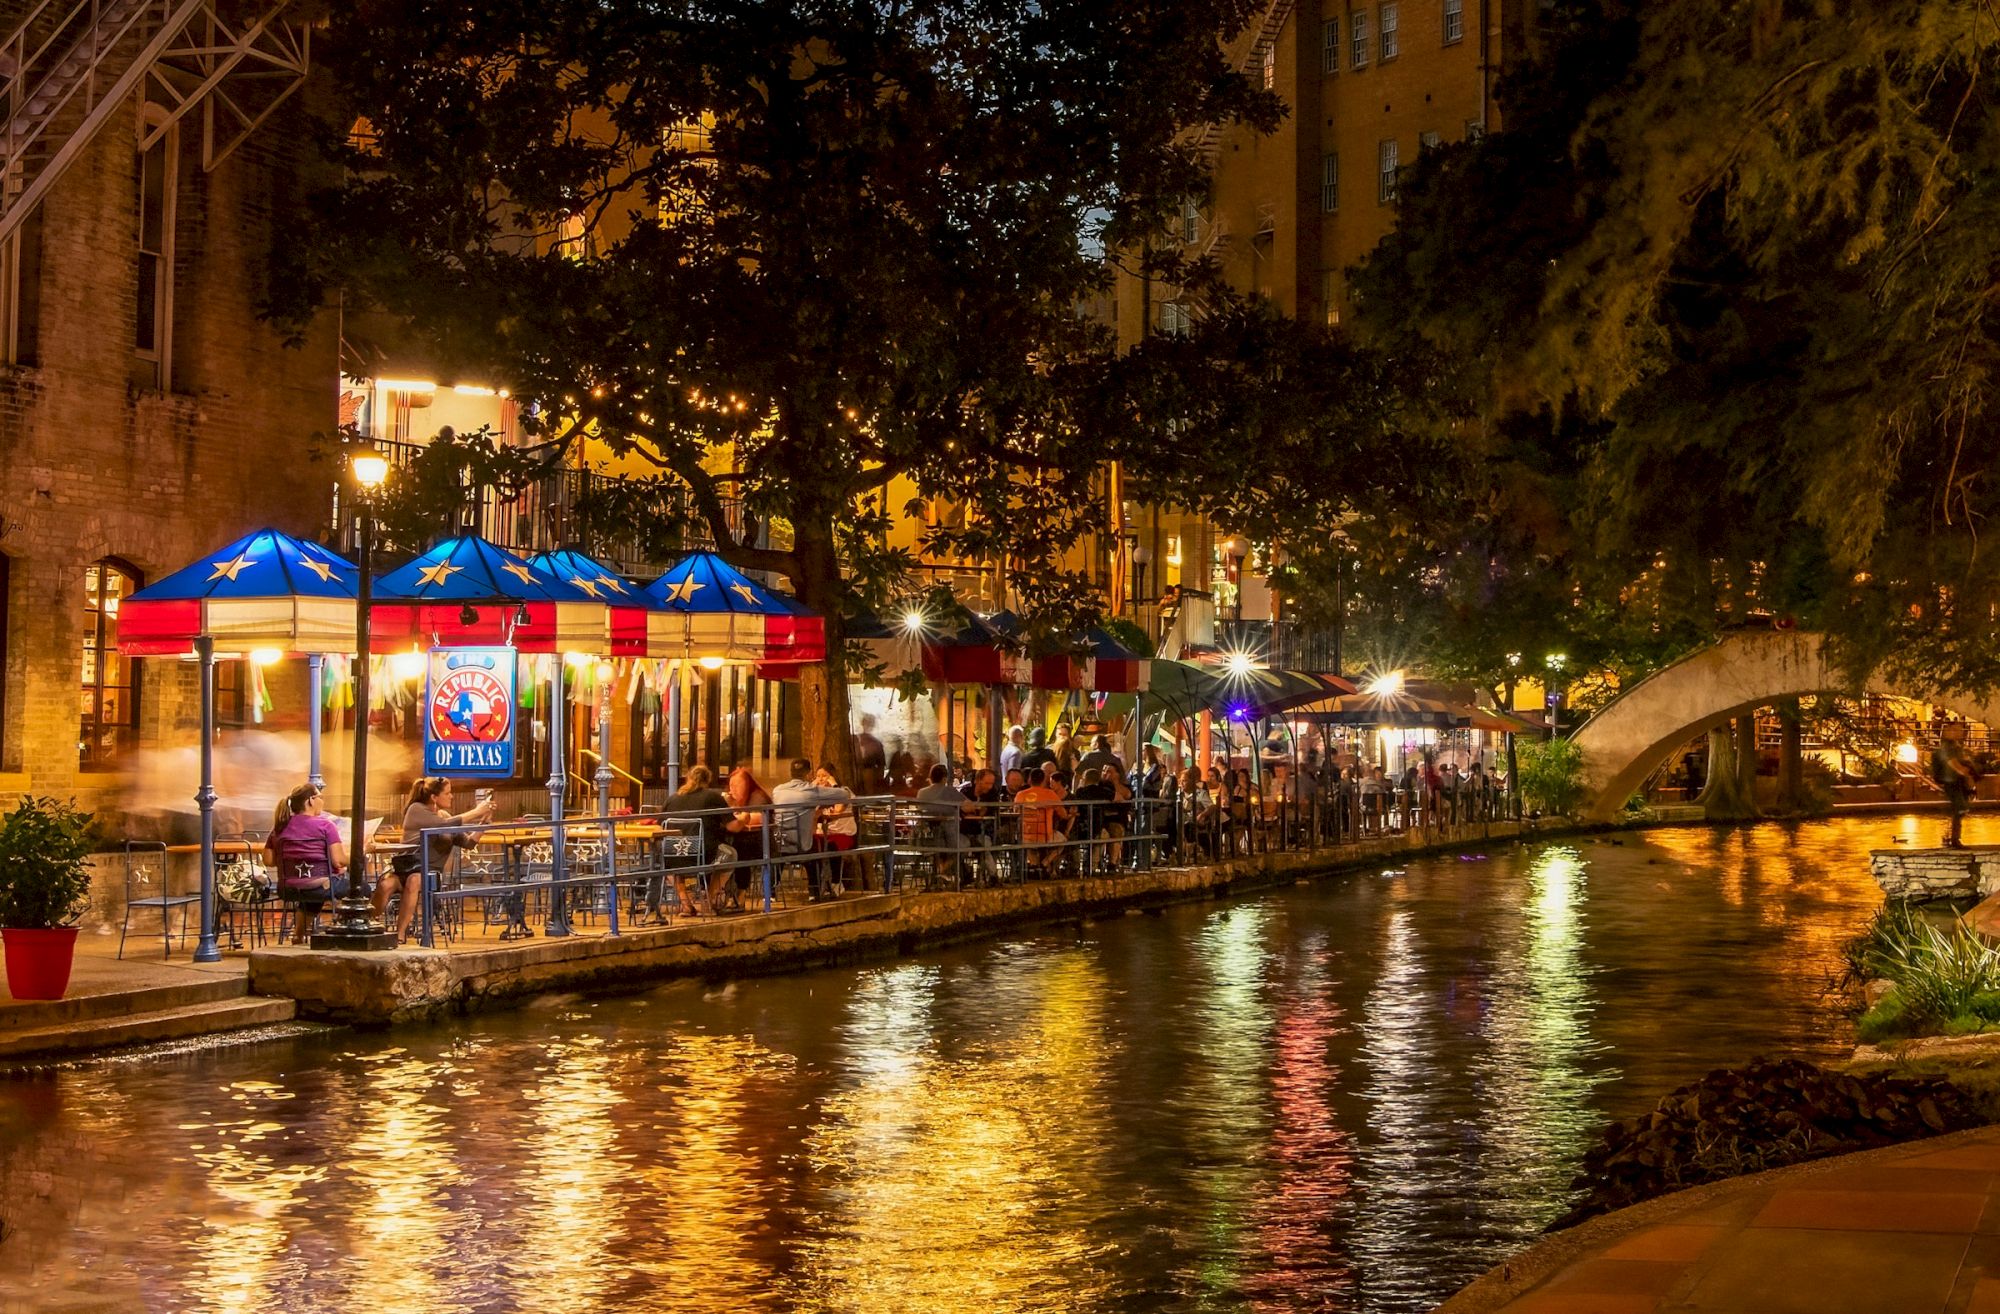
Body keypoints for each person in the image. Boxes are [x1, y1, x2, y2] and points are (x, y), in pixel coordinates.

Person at [383, 777, 493, 942]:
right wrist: (476, 811)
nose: (451, 796)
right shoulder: (417, 809)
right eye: (447, 793)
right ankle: (367, 926)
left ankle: (399, 936)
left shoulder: (445, 818)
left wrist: (484, 822)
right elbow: (442, 824)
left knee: (414, 881)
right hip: (407, 865)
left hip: (430, 871)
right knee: (385, 884)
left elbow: (469, 843)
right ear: (434, 797)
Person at [264, 782, 348, 946]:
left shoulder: (279, 828)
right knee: (362, 888)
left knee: (311, 892)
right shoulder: (326, 826)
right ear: (311, 800)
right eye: (320, 797)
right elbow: (338, 860)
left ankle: (298, 936)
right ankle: (353, 931)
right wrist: (360, 853)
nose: (322, 801)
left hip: (288, 888)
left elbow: (268, 860)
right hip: (322, 886)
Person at [770, 758, 853, 898]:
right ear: (808, 773)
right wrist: (832, 784)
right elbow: (844, 795)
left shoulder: (777, 790)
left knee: (779, 853)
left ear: (790, 773)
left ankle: (770, 893)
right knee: (818, 846)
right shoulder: (811, 791)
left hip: (779, 843)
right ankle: (814, 892)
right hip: (802, 846)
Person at [658, 766, 733, 918]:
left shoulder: (672, 798)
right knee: (730, 854)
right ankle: (708, 902)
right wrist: (744, 818)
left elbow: (660, 825)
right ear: (707, 780)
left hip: (674, 854)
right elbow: (733, 826)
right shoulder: (713, 797)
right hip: (701, 854)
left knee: (665, 862)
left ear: (688, 778)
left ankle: (686, 904)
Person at [915, 763, 972, 885]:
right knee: (966, 845)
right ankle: (943, 871)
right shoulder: (949, 791)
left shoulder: (921, 792)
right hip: (949, 837)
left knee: (944, 849)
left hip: (927, 837)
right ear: (945, 778)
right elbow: (969, 807)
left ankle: (942, 872)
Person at [722, 765, 772, 899]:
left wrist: (734, 813)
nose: (733, 790)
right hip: (740, 838)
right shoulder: (733, 801)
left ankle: (740, 892)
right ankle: (719, 891)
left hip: (762, 842)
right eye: (731, 786)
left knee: (738, 851)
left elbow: (755, 818)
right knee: (721, 848)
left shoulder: (758, 797)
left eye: (737, 785)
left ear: (747, 784)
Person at [1014, 766, 1070, 877]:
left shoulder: (1020, 795)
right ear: (1044, 780)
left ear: (1029, 779)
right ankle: (1044, 864)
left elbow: (1015, 813)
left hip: (1024, 835)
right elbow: (1063, 815)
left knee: (1029, 841)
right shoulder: (1050, 794)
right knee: (1064, 840)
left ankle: (1034, 866)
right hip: (1045, 836)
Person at [1934, 722, 1979, 847]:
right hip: (1951, 781)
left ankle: (1951, 838)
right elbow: (1952, 762)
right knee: (1960, 809)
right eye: (1956, 730)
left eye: (1960, 730)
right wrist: (1964, 772)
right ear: (1949, 731)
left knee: (1960, 810)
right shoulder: (1947, 747)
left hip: (1957, 781)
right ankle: (1953, 839)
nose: (1960, 732)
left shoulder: (1956, 746)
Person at [959, 768, 1003, 884]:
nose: (989, 786)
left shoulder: (992, 793)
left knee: (984, 847)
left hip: (984, 831)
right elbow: (961, 810)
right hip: (964, 831)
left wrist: (971, 809)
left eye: (991, 783)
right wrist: (973, 809)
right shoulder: (965, 791)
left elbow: (983, 812)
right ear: (977, 780)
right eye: (987, 783)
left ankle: (993, 876)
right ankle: (964, 874)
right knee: (959, 848)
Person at [854, 714, 887, 794]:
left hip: (869, 774)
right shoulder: (854, 740)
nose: (867, 726)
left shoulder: (876, 743)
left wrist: (879, 781)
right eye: (866, 723)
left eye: (869, 723)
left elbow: (881, 765)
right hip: (855, 773)